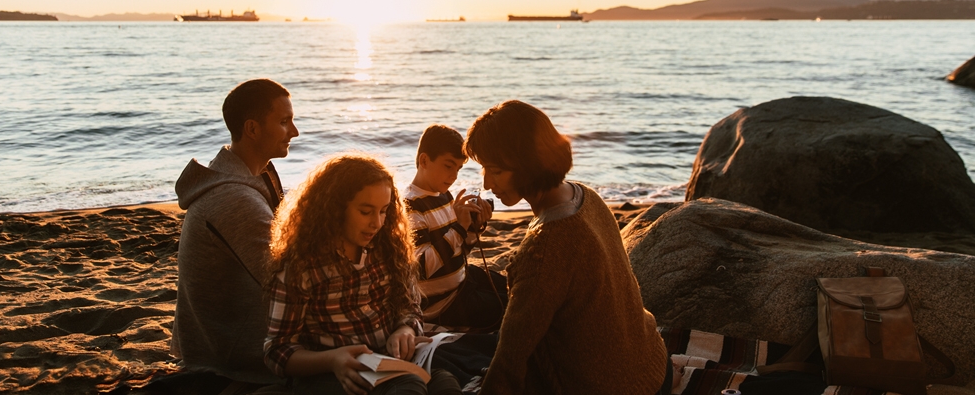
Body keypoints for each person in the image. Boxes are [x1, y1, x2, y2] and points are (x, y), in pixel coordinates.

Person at [465, 100, 670, 395]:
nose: (486, 184)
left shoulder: (545, 248)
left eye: (494, 170)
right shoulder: (587, 196)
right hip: (651, 365)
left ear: (524, 163)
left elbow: (511, 356)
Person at [263, 154, 462, 395]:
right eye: (366, 212)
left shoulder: (388, 250)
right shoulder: (301, 268)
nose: (377, 223)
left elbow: (410, 308)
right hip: (334, 374)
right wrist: (333, 359)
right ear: (334, 209)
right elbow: (277, 350)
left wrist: (405, 331)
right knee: (409, 387)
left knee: (445, 383)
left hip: (389, 363)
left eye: (384, 211)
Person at [170, 78, 298, 383]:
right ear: (252, 129)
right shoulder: (234, 198)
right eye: (284, 122)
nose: (294, 132)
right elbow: (290, 279)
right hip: (228, 357)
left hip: (235, 338)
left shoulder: (248, 175)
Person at [403, 124, 506, 329]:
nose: (454, 176)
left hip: (463, 282)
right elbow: (422, 268)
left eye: (458, 169)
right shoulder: (411, 206)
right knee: (507, 307)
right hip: (443, 305)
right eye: (448, 166)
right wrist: (459, 228)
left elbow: (459, 252)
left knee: (512, 288)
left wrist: (473, 228)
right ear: (424, 160)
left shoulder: (445, 196)